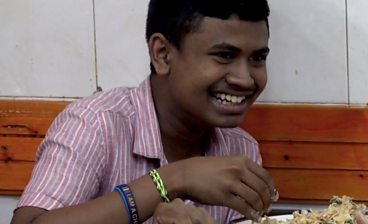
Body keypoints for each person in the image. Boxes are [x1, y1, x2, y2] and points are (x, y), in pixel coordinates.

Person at [11, 0, 276, 223]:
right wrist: (175, 179)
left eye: (257, 58)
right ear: (162, 54)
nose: (245, 79)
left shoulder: (241, 150)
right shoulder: (97, 124)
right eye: (224, 55)